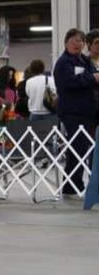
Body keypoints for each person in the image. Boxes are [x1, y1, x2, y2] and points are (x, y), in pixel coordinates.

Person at [53, 28, 99, 199]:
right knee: (77, 149)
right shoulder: (63, 63)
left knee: (87, 150)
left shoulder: (85, 61)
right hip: (72, 112)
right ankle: (71, 187)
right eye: (74, 41)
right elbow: (68, 83)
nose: (77, 44)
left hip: (89, 112)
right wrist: (92, 79)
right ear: (66, 43)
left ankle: (83, 185)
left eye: (80, 41)